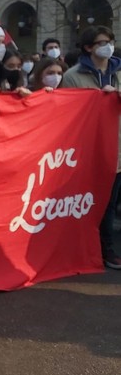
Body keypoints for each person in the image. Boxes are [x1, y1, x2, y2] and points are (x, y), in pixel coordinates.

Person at [60, 26, 121, 269]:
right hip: (90, 149)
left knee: (111, 201)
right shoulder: (73, 76)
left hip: (117, 147)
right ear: (88, 47)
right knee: (98, 202)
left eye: (111, 41)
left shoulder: (118, 72)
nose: (108, 46)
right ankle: (101, 248)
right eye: (102, 42)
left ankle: (105, 246)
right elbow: (66, 112)